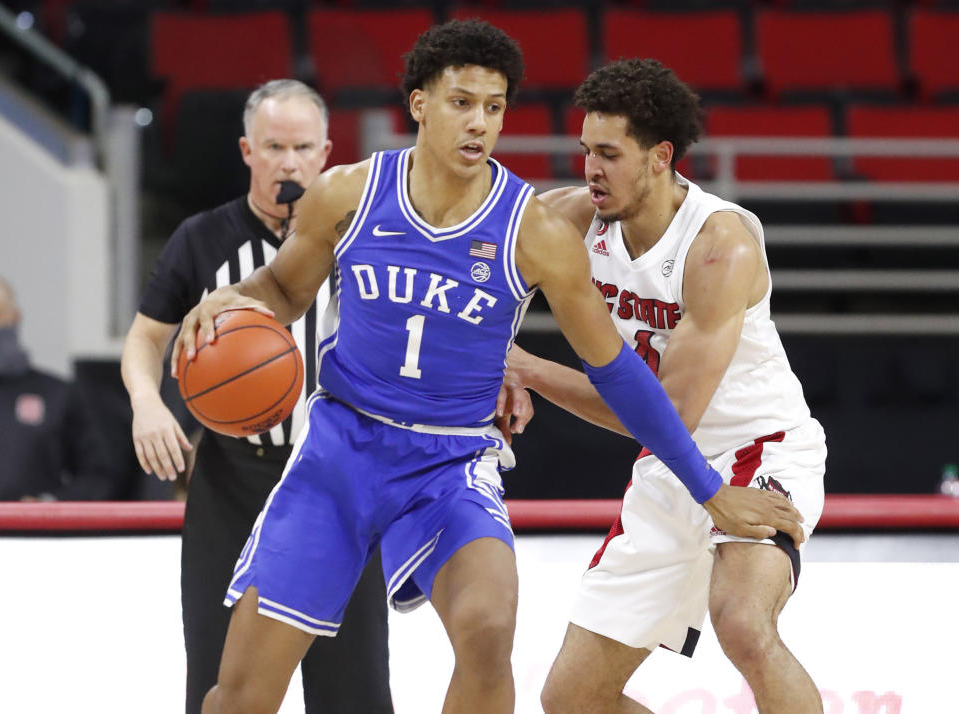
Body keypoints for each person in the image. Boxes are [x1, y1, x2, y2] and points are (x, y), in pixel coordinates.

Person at [172, 22, 803, 714]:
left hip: (449, 462)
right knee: (240, 693)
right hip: (342, 449)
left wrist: (710, 488)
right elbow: (284, 289)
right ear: (418, 104)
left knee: (488, 627)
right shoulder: (345, 194)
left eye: (495, 107)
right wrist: (232, 300)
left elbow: (621, 371)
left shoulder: (533, 230)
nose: (480, 123)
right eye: (462, 102)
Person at [502, 59, 827, 713]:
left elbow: (666, 414)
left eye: (610, 154)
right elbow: (472, 280)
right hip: (669, 469)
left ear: (660, 157)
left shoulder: (719, 247)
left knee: (743, 624)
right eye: (586, 150)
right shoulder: (569, 217)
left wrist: (528, 368)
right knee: (573, 699)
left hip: (754, 452)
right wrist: (490, 357)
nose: (591, 168)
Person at [120, 80, 393, 714]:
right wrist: (146, 402)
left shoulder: (365, 239)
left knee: (354, 691)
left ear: (327, 151)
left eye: (302, 147)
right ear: (248, 150)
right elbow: (143, 338)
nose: (289, 162)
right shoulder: (201, 239)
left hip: (337, 479)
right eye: (274, 146)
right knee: (218, 686)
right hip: (231, 481)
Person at [0, 276, 115, 501]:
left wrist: (48, 505)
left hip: (30, 534)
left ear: (15, 318)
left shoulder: (57, 395)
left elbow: (98, 477)